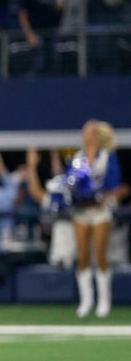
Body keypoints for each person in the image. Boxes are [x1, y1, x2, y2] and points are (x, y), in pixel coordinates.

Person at [63, 121, 122, 318]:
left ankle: (104, 301)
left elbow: (113, 181)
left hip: (100, 210)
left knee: (100, 254)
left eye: (89, 132)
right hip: (81, 211)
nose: (85, 135)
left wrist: (98, 190)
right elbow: (69, 180)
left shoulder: (107, 156)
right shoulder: (78, 157)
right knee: (83, 256)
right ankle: (86, 301)